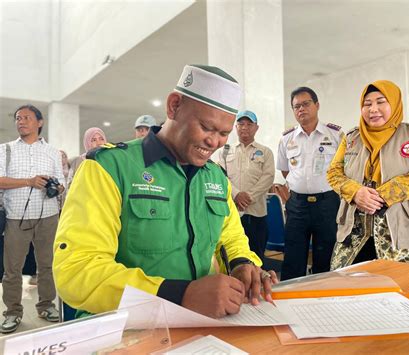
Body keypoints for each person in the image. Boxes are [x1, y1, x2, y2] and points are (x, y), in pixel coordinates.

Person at [53, 64, 278, 319]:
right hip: (126, 329)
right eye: (206, 127)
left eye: (224, 134)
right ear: (174, 106)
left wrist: (242, 265)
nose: (214, 142)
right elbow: (76, 270)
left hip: (205, 324)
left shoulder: (215, 177)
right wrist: (179, 295)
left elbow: (231, 239)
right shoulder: (109, 168)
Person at [327, 80, 409, 270]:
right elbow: (334, 172)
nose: (373, 109)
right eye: (367, 104)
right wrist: (355, 192)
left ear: (394, 103)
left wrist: (384, 195)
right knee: (348, 287)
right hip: (355, 234)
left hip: (404, 233)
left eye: (381, 102)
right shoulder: (351, 138)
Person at [0, 104, 65, 333]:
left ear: (39, 122)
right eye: (18, 118)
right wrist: (29, 181)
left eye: (26, 117)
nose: (21, 121)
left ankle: (46, 305)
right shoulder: (5, 150)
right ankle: (13, 312)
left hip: (48, 217)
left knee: (48, 265)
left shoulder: (53, 152)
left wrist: (56, 187)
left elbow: (61, 182)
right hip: (16, 218)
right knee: (12, 269)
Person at [277, 87, 342, 280]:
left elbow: (344, 170)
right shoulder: (287, 138)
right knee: (293, 257)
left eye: (306, 104)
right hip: (297, 205)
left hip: (328, 203)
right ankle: (290, 300)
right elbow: (285, 169)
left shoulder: (335, 135)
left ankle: (325, 300)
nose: (301, 109)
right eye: (296, 106)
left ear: (317, 105)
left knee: (326, 255)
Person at [218, 110, 275, 261]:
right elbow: (220, 176)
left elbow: (268, 177)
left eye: (249, 124)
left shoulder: (265, 152)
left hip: (256, 214)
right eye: (241, 124)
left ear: (256, 128)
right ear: (235, 127)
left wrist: (248, 197)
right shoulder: (225, 151)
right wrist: (236, 194)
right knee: (230, 258)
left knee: (256, 258)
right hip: (231, 213)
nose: (245, 127)